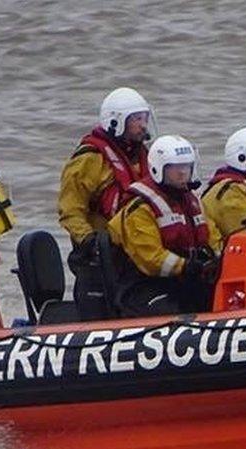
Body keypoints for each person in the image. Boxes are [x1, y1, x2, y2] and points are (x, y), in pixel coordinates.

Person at [58, 87, 153, 318]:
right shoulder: (89, 160)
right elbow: (70, 210)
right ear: (116, 122)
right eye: (136, 120)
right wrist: (91, 242)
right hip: (103, 255)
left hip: (137, 251)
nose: (143, 125)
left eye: (145, 118)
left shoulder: (145, 157)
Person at [107, 135, 222, 318]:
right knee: (172, 313)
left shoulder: (193, 202)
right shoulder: (140, 208)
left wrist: (221, 260)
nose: (183, 173)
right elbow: (151, 259)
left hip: (185, 280)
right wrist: (186, 266)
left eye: (186, 167)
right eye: (175, 168)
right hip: (144, 286)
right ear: (158, 168)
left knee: (223, 301)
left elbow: (213, 238)